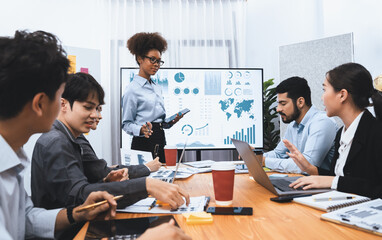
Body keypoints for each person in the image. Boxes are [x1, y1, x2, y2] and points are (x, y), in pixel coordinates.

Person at [0, 30, 117, 239]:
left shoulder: (11, 157)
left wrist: (78, 213)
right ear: (40, 104)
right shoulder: (53, 141)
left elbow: (26, 219)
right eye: (59, 96)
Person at [32, 72, 190, 210]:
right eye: (88, 107)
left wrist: (105, 180)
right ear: (63, 104)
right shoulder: (56, 142)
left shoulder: (73, 136)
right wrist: (146, 185)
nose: (96, 115)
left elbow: (91, 177)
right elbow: (78, 196)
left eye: (98, 109)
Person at [286, 63, 382, 199]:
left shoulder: (376, 133)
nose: (322, 98)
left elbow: (376, 188)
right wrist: (310, 169)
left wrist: (333, 181)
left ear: (342, 95)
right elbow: (340, 177)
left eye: (325, 90)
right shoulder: (341, 134)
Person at [121, 32, 183, 163]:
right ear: (139, 58)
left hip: (160, 139)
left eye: (159, 61)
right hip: (143, 143)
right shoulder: (132, 90)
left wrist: (170, 122)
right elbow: (126, 124)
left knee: (164, 176)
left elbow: (157, 121)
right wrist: (141, 130)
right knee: (146, 181)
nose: (156, 64)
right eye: (152, 59)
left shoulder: (156, 87)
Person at [263, 77, 337, 173]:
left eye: (283, 104)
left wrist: (264, 161)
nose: (278, 109)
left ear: (300, 102)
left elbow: (307, 166)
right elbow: (278, 154)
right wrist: (255, 158)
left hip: (322, 185)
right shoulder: (293, 125)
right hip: (301, 181)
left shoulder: (322, 122)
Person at [76, 102, 161, 183]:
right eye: (89, 108)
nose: (99, 116)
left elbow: (95, 172)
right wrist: (147, 168)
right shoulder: (77, 139)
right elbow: (100, 173)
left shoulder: (77, 136)